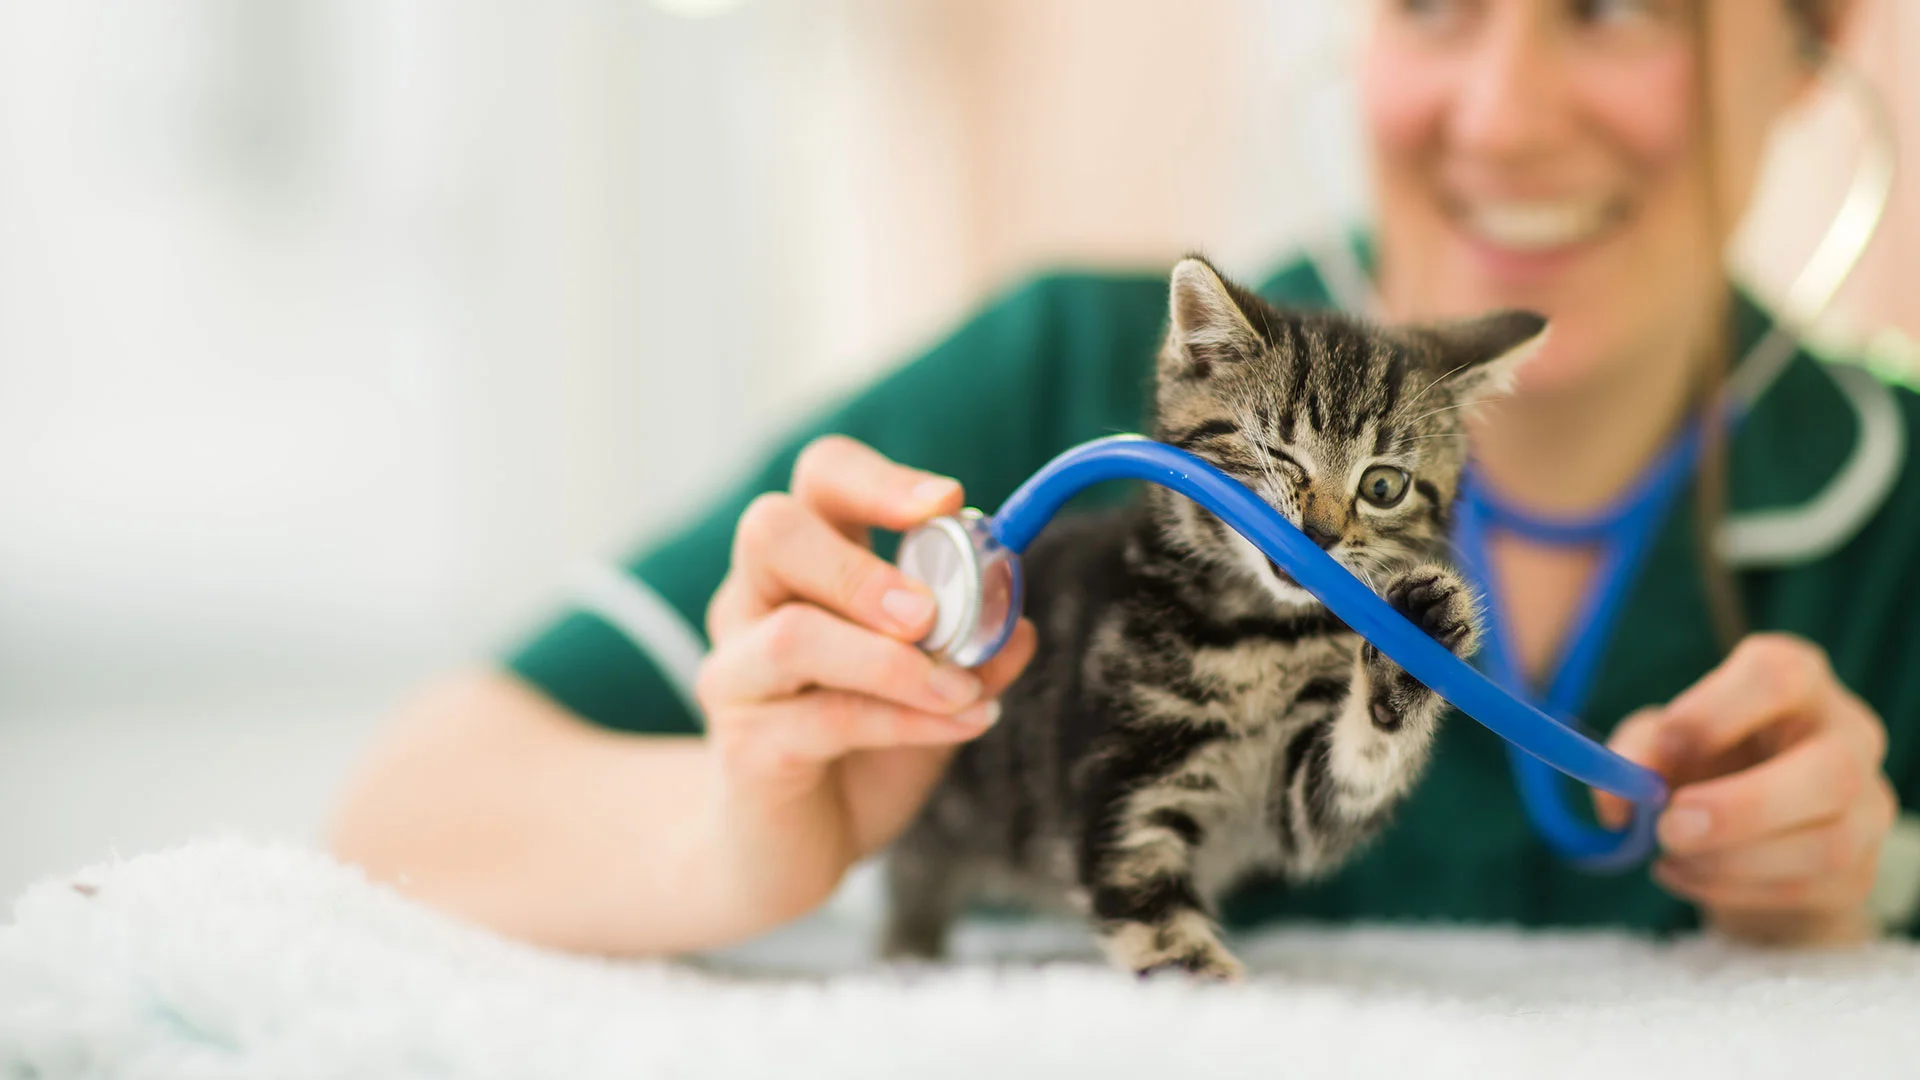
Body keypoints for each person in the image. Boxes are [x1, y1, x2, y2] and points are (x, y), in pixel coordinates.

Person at [328, 0, 1920, 957]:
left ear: (1808, 43)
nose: (1501, 116)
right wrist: (749, 832)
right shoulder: (1067, 377)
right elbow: (409, 807)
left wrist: (1867, 906)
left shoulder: (1898, 519)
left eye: (1616, 4)